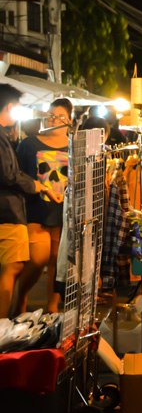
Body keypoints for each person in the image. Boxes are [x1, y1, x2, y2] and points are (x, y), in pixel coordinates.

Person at [0, 86, 57, 317]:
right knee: (12, 266)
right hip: (8, 211)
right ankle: (3, 328)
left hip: (8, 210)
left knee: (11, 266)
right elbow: (9, 174)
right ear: (11, 106)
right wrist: (36, 185)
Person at [15, 97, 72, 314]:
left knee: (57, 264)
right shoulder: (29, 144)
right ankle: (21, 297)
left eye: (60, 117)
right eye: (50, 115)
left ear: (69, 121)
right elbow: (18, 174)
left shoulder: (74, 145)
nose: (53, 120)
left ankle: (52, 309)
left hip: (63, 214)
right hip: (35, 210)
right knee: (38, 259)